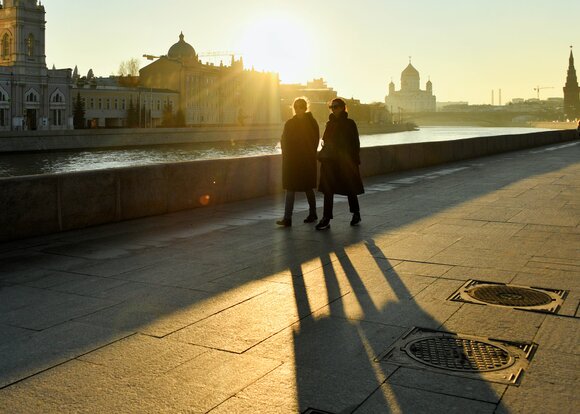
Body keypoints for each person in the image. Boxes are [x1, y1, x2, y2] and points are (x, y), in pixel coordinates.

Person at [315, 98, 364, 230]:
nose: (334, 109)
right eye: (332, 107)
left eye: (336, 107)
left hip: (344, 162)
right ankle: (326, 218)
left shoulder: (349, 123)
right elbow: (325, 141)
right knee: (328, 190)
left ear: (343, 107)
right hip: (330, 162)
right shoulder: (329, 124)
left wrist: (353, 160)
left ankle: (356, 213)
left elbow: (355, 143)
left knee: (350, 189)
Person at [276, 97, 320, 227]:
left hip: (306, 160)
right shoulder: (290, 123)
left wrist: (308, 154)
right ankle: (287, 218)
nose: (298, 109)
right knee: (290, 189)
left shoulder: (312, 122)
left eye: (300, 106)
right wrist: (287, 153)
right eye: (295, 107)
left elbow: (314, 141)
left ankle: (313, 213)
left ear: (305, 107)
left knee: (307, 188)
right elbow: (284, 140)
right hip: (292, 161)